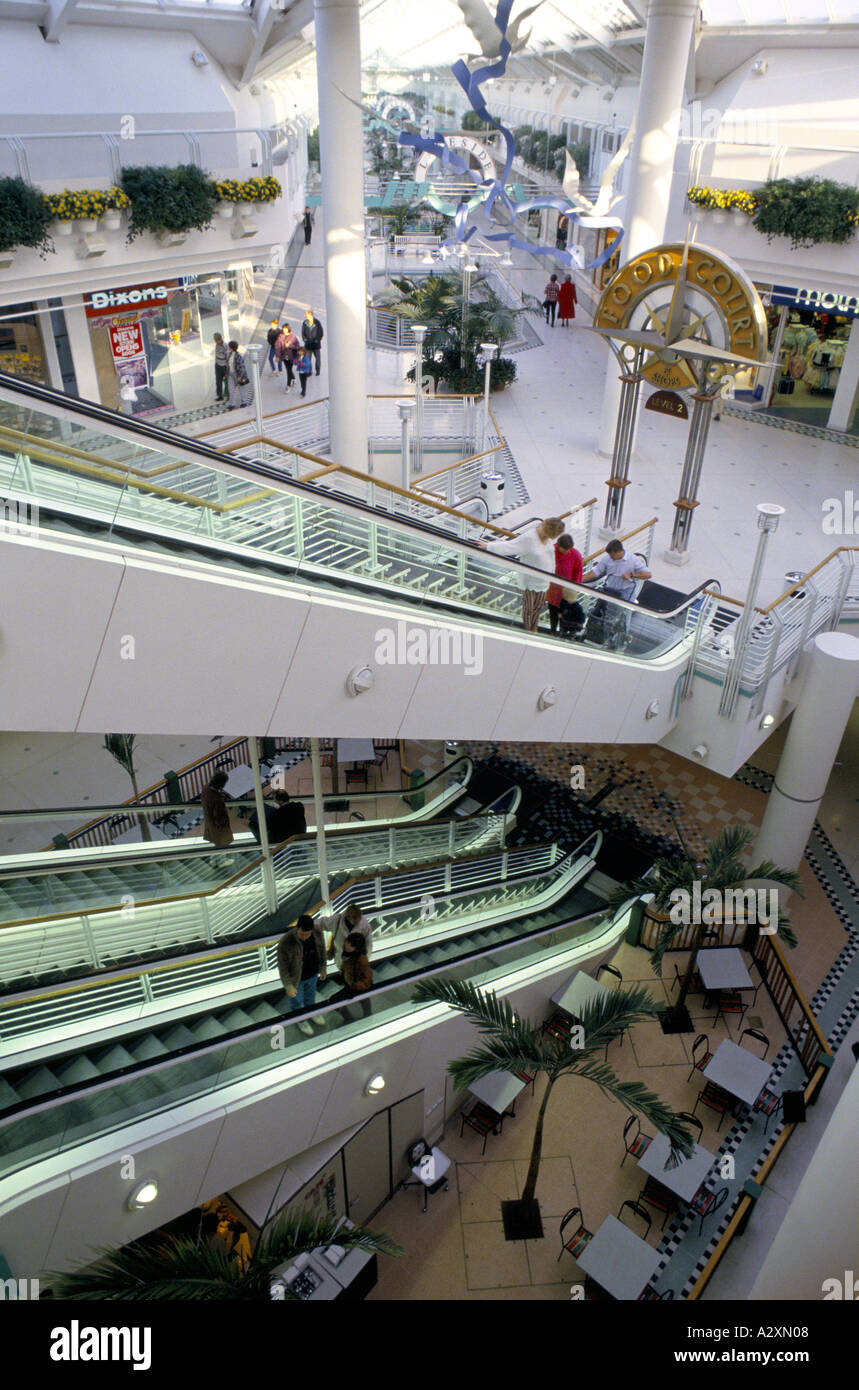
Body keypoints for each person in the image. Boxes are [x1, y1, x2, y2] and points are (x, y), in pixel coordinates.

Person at [481, 516, 565, 632]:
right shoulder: (530, 538)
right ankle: (528, 629)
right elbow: (511, 546)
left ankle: (533, 627)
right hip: (530, 580)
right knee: (529, 607)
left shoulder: (548, 539)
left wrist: (552, 573)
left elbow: (551, 557)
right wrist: (489, 546)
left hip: (543, 580)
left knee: (539, 606)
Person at [277, 915, 327, 1035]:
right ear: (297, 928)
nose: (304, 938)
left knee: (310, 996)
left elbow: (322, 951)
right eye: (301, 934)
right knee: (296, 1001)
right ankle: (300, 1020)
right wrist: (288, 985)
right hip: (296, 979)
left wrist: (323, 967)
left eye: (307, 934)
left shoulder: (317, 933)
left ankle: (311, 1012)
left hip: (312, 973)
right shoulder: (286, 941)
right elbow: (282, 966)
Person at [582, 539, 651, 603]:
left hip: (626, 592)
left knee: (621, 612)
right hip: (609, 590)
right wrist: (580, 579)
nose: (611, 557)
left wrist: (631, 575)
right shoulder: (607, 559)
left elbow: (647, 575)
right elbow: (596, 571)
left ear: (619, 552)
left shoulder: (634, 560)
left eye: (612, 555)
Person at [546, 532, 585, 638]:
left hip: (567, 593)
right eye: (564, 549)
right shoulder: (551, 550)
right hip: (552, 590)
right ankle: (553, 632)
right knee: (553, 613)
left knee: (567, 616)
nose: (567, 552)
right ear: (558, 546)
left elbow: (578, 574)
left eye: (569, 549)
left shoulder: (575, 554)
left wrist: (574, 590)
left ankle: (564, 634)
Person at [328, 932, 373, 1020]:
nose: (346, 946)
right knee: (363, 1000)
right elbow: (346, 967)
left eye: (350, 945)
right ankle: (357, 1017)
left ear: (356, 948)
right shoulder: (347, 954)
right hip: (350, 984)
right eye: (347, 943)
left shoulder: (361, 959)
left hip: (356, 986)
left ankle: (357, 1017)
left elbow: (368, 977)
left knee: (334, 1000)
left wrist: (356, 986)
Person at [201, 770, 234, 849]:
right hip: (219, 828)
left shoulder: (206, 788)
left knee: (215, 838)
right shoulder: (217, 800)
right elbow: (219, 817)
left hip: (209, 820)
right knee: (223, 842)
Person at [226, 341, 253, 410]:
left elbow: (242, 367)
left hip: (238, 375)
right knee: (231, 389)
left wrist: (239, 376)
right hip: (231, 374)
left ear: (232, 348)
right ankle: (232, 404)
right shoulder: (229, 354)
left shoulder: (238, 356)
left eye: (229, 347)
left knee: (241, 389)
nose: (228, 348)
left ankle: (244, 402)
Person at [275, 322, 300, 391]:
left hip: (291, 356)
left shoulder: (293, 337)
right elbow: (277, 346)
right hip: (284, 356)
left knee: (288, 371)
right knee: (288, 369)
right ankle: (294, 379)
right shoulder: (280, 336)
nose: (284, 330)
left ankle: (288, 386)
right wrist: (277, 356)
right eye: (283, 329)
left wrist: (290, 346)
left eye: (286, 329)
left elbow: (298, 347)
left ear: (288, 329)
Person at [301, 310, 323, 376]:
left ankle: (318, 371)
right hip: (308, 345)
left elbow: (320, 333)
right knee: (308, 359)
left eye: (306, 315)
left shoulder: (317, 323)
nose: (305, 316)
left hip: (316, 345)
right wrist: (305, 339)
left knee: (318, 359)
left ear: (311, 315)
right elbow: (303, 333)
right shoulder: (305, 323)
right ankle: (309, 372)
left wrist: (317, 340)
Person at [213, 333, 229, 403]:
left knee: (227, 381)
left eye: (216, 340)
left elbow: (227, 358)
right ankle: (220, 395)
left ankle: (228, 395)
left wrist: (227, 370)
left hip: (224, 366)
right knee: (218, 381)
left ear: (219, 339)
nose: (216, 342)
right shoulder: (217, 345)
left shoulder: (225, 346)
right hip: (218, 365)